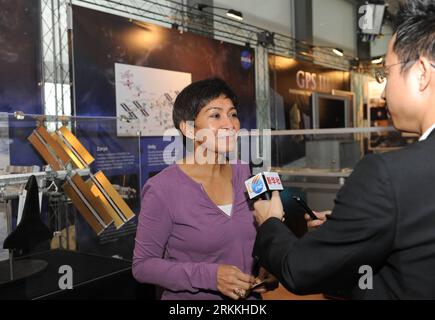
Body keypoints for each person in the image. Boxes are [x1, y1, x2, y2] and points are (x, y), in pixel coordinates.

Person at [252, 0, 435, 299]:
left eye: (386, 74)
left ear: (422, 73)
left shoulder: (386, 176)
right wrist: (350, 227)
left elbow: (300, 269)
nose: (385, 90)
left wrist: (270, 223)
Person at [132, 78, 276, 300]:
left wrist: (268, 263)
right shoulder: (162, 189)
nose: (230, 124)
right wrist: (210, 276)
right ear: (189, 128)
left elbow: (260, 229)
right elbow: (143, 266)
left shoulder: (246, 171)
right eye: (216, 115)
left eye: (233, 114)